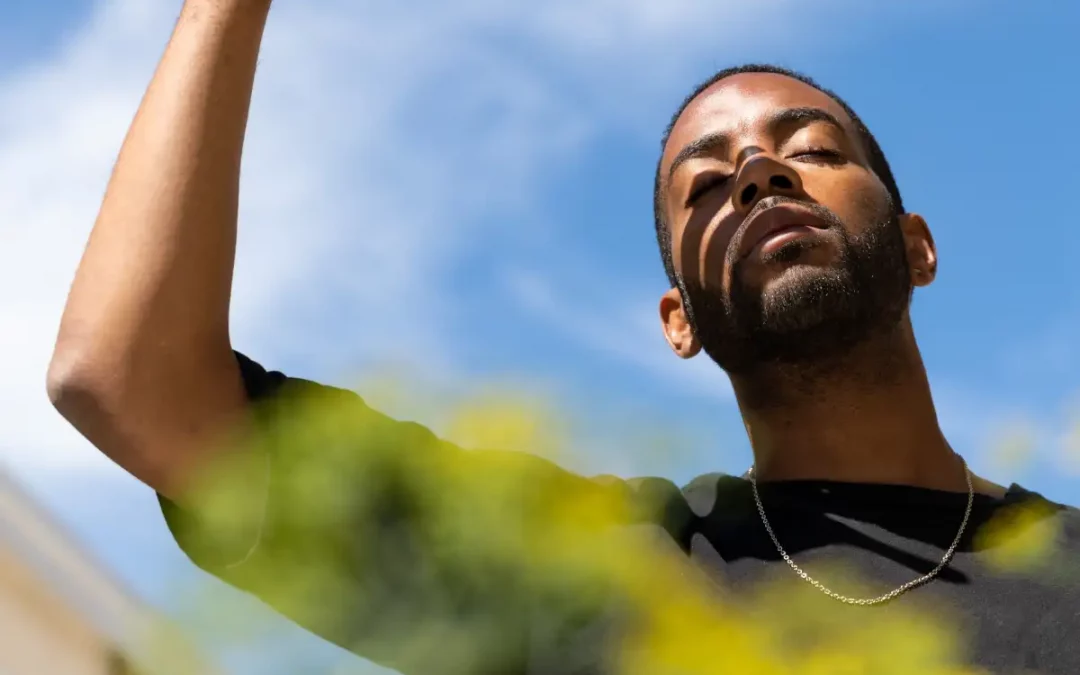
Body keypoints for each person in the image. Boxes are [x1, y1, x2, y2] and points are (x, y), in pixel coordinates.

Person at [47, 0, 1079, 673]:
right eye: (706, 185)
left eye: (810, 149)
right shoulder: (608, 572)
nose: (759, 173)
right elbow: (127, 380)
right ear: (679, 321)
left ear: (917, 245)